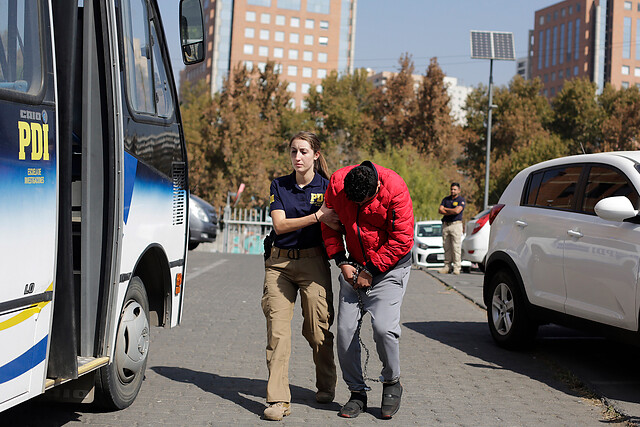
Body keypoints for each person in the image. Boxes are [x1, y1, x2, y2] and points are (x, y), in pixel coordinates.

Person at [321, 161, 414, 419]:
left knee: (384, 328)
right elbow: (329, 224)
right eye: (355, 203)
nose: (360, 207)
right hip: (354, 266)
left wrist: (370, 271)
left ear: (376, 187)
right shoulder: (338, 185)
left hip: (390, 268)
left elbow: (402, 239)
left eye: (365, 202)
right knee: (344, 331)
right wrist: (341, 260)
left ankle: (392, 381)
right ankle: (357, 392)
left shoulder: (395, 188)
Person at [261, 131, 341, 421]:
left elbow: (340, 223)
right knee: (278, 332)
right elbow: (280, 226)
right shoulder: (279, 185)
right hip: (279, 264)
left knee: (318, 330)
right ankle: (279, 400)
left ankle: (326, 382)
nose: (297, 157)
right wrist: (317, 217)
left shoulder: (329, 186)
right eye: (294, 151)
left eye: (304, 152)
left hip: (314, 263)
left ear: (316, 155)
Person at [438, 182, 465, 275]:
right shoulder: (446, 199)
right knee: (447, 246)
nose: (453, 191)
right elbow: (440, 210)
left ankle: (457, 267)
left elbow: (457, 211)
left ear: (459, 190)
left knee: (456, 247)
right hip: (446, 225)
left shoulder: (461, 199)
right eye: (452, 189)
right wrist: (452, 211)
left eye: (455, 189)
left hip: (456, 225)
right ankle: (447, 267)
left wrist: (446, 210)